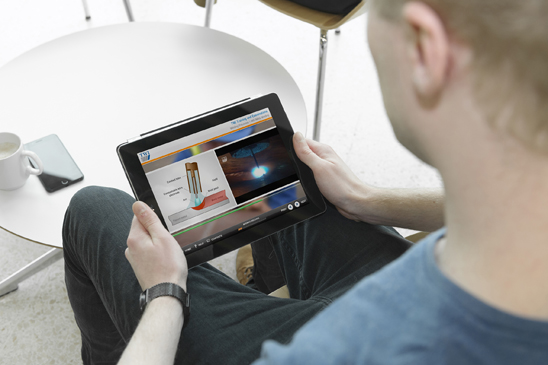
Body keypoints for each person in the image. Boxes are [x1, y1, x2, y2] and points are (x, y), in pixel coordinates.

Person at [63, 0, 548, 363]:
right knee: (300, 180)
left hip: (318, 335)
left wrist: (164, 293)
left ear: (425, 48)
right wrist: (368, 200)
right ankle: (269, 282)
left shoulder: (329, 352)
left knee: (94, 209)